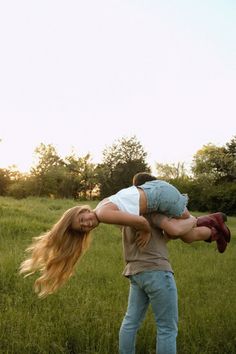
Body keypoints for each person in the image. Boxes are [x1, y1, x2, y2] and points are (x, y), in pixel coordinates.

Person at [19, 175, 230, 297]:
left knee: (179, 230)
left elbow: (140, 221)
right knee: (187, 236)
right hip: (156, 194)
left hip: (161, 195)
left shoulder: (102, 212)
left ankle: (205, 219)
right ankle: (214, 231)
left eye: (82, 219)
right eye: (83, 228)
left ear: (83, 210)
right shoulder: (102, 207)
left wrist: (145, 231)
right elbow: (129, 218)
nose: (86, 224)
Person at [119, 213, 178, 354]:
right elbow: (174, 232)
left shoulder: (127, 215)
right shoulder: (153, 212)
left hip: (136, 272)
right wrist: (194, 220)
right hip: (157, 270)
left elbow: (156, 241)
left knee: (131, 322)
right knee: (167, 328)